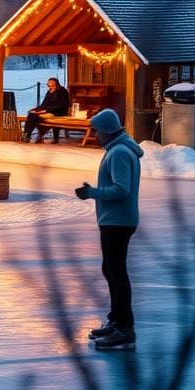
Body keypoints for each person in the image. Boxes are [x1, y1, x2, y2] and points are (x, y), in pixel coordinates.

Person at [75, 109, 143, 351]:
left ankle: (124, 327)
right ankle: (117, 320)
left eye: (97, 131)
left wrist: (92, 192)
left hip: (118, 221)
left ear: (106, 130)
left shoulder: (119, 153)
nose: (95, 135)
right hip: (115, 220)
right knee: (111, 270)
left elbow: (121, 189)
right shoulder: (119, 150)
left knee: (116, 273)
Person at [22, 77, 70, 143]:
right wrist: (36, 110)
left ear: (55, 83)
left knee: (34, 116)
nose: (48, 85)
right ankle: (27, 135)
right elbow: (44, 104)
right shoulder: (49, 91)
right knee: (32, 114)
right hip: (48, 111)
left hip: (57, 112)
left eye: (50, 83)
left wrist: (45, 111)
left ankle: (29, 135)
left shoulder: (62, 91)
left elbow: (61, 106)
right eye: (48, 84)